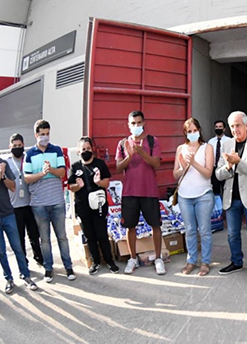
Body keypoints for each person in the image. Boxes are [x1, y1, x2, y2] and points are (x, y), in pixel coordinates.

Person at [0, 131, 38, 293]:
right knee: (1, 251)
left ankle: (26, 275)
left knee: (17, 247)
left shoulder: (3, 163)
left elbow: (13, 186)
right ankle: (8, 279)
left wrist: (2, 177)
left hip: (8, 213)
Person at [216, 111, 247, 284]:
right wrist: (228, 167)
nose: (235, 129)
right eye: (232, 126)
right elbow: (218, 174)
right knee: (232, 235)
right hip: (232, 198)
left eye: (238, 125)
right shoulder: (226, 144)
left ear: (246, 125)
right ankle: (236, 262)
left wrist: (239, 162)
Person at [24, 119, 76, 283]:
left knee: (62, 237)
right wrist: (41, 174)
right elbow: (26, 178)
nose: (45, 137)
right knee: (44, 239)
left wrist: (50, 170)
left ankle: (68, 266)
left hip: (57, 202)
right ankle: (48, 268)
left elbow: (61, 172)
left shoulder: (57, 150)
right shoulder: (30, 154)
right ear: (36, 135)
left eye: (47, 134)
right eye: (42, 134)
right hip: (39, 203)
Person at [115, 111, 165, 275]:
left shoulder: (152, 141)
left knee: (155, 225)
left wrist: (142, 153)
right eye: (133, 123)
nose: (136, 126)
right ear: (128, 125)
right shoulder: (123, 143)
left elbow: (156, 164)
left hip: (149, 191)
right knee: (130, 226)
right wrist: (130, 156)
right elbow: (118, 167)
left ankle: (158, 258)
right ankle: (132, 258)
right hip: (129, 192)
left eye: (139, 122)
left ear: (144, 123)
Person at [68, 137, 119, 275]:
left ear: (93, 150)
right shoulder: (75, 167)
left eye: (88, 149)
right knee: (90, 236)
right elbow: (70, 187)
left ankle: (109, 260)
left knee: (102, 234)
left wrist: (99, 182)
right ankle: (95, 261)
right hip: (83, 207)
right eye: (83, 149)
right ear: (79, 151)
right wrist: (78, 186)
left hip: (99, 206)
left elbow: (107, 183)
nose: (86, 151)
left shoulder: (100, 164)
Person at [173, 118, 214, 276]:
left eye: (194, 130)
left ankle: (205, 262)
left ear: (199, 130)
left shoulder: (207, 147)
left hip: (203, 194)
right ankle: (191, 261)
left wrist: (193, 163)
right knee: (189, 230)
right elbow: (175, 173)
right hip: (184, 195)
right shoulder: (180, 149)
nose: (192, 133)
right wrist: (183, 167)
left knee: (204, 230)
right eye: (189, 131)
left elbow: (208, 173)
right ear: (185, 133)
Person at [6, 133, 44, 274]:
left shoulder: (29, 159)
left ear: (23, 145)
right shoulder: (7, 163)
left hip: (30, 203)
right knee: (19, 237)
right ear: (10, 147)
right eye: (14, 146)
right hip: (14, 206)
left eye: (19, 145)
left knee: (34, 233)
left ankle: (39, 257)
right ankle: (23, 264)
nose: (17, 148)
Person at [208, 120, 229, 195]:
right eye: (216, 127)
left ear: (224, 129)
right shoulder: (211, 142)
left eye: (220, 127)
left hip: (225, 168)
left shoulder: (229, 141)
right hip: (214, 168)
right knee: (215, 190)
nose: (218, 128)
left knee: (226, 189)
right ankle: (218, 205)